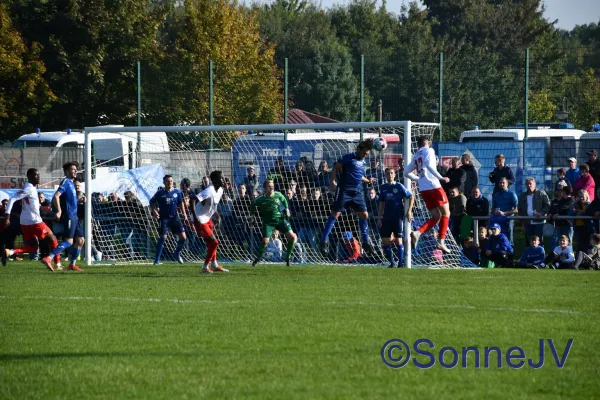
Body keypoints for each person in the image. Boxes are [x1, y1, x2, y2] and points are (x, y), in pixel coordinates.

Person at [320, 140, 377, 255]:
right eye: (365, 153)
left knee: (364, 215)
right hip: (344, 190)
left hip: (357, 192)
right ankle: (324, 241)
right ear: (360, 150)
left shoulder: (363, 161)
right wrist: (332, 181)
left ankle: (366, 242)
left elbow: (359, 175)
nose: (366, 155)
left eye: (367, 154)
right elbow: (335, 167)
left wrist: (368, 180)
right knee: (335, 214)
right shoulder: (348, 157)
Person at [2, 169, 61, 270]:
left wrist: (41, 207)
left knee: (33, 247)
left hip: (25, 222)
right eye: (35, 175)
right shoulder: (29, 188)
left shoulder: (29, 187)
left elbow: (31, 201)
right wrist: (7, 217)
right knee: (53, 239)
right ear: (29, 177)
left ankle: (10, 252)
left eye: (38, 175)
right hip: (35, 221)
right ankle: (57, 263)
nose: (38, 177)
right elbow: (12, 199)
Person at [404, 136, 452, 253]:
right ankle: (441, 241)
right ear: (428, 143)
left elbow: (406, 173)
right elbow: (429, 165)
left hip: (424, 189)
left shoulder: (416, 156)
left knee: (436, 216)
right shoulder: (429, 150)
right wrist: (441, 177)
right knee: (446, 212)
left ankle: (417, 232)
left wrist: (419, 180)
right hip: (434, 186)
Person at [46, 162, 85, 272]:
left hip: (75, 217)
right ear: (67, 171)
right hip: (69, 217)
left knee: (81, 240)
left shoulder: (72, 183)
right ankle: (49, 258)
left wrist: (79, 200)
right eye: (73, 169)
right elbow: (56, 196)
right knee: (69, 241)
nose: (75, 171)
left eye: (76, 169)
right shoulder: (66, 182)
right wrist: (58, 211)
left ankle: (72, 264)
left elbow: (69, 200)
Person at [251, 179, 298, 267]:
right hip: (268, 222)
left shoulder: (278, 195)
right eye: (269, 185)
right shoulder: (261, 199)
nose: (271, 187)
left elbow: (284, 200)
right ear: (265, 188)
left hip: (280, 220)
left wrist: (287, 209)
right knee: (265, 241)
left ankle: (287, 258)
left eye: (272, 185)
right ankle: (258, 258)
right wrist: (251, 215)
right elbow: (253, 204)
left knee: (292, 237)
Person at [191, 170, 228, 273]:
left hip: (207, 218)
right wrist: (195, 218)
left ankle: (214, 265)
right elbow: (193, 200)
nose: (224, 180)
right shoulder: (209, 190)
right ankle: (205, 267)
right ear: (215, 180)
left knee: (212, 243)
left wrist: (217, 215)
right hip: (200, 219)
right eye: (221, 178)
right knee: (214, 242)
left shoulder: (220, 190)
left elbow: (212, 205)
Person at [377, 168, 414, 268]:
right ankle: (392, 263)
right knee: (385, 240)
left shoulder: (399, 186)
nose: (390, 175)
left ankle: (401, 263)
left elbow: (411, 196)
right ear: (385, 175)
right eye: (388, 173)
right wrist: (380, 216)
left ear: (395, 175)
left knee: (398, 240)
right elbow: (381, 202)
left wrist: (409, 211)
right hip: (386, 217)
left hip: (397, 217)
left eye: (391, 173)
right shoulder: (383, 187)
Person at [150, 175, 187, 266]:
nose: (169, 182)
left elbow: (181, 203)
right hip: (164, 218)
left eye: (171, 181)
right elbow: (151, 202)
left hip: (175, 217)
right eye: (167, 181)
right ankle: (157, 260)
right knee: (163, 238)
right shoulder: (160, 193)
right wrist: (154, 211)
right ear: (164, 183)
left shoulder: (177, 192)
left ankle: (177, 253)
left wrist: (185, 215)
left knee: (183, 237)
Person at [517, 177, 550, 243]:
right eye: (527, 184)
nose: (529, 186)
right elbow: (520, 210)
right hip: (527, 223)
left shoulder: (541, 193)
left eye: (530, 184)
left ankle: (541, 253)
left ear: (534, 184)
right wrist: (523, 223)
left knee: (538, 242)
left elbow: (547, 205)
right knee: (529, 242)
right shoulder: (522, 196)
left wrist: (541, 213)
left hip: (539, 222)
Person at [491, 177, 518, 242]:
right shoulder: (496, 195)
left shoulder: (512, 194)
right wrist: (494, 212)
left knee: (508, 239)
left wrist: (504, 213)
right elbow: (492, 209)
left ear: (507, 184)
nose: (502, 184)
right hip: (498, 220)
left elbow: (516, 210)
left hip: (508, 220)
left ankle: (510, 251)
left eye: (503, 183)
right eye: (500, 183)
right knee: (497, 238)